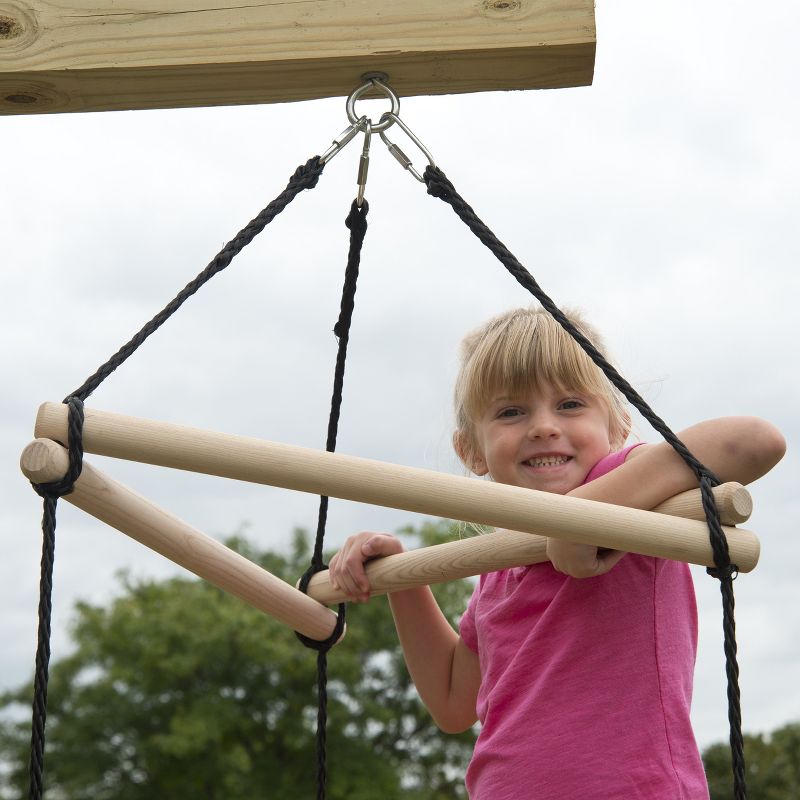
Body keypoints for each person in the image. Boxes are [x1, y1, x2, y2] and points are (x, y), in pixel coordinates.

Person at [328, 307, 785, 799]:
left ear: (617, 427)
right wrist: (401, 576)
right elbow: (453, 702)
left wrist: (587, 515)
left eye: (569, 404)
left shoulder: (631, 490)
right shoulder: (499, 568)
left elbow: (755, 440)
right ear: (471, 451)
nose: (544, 426)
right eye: (510, 411)